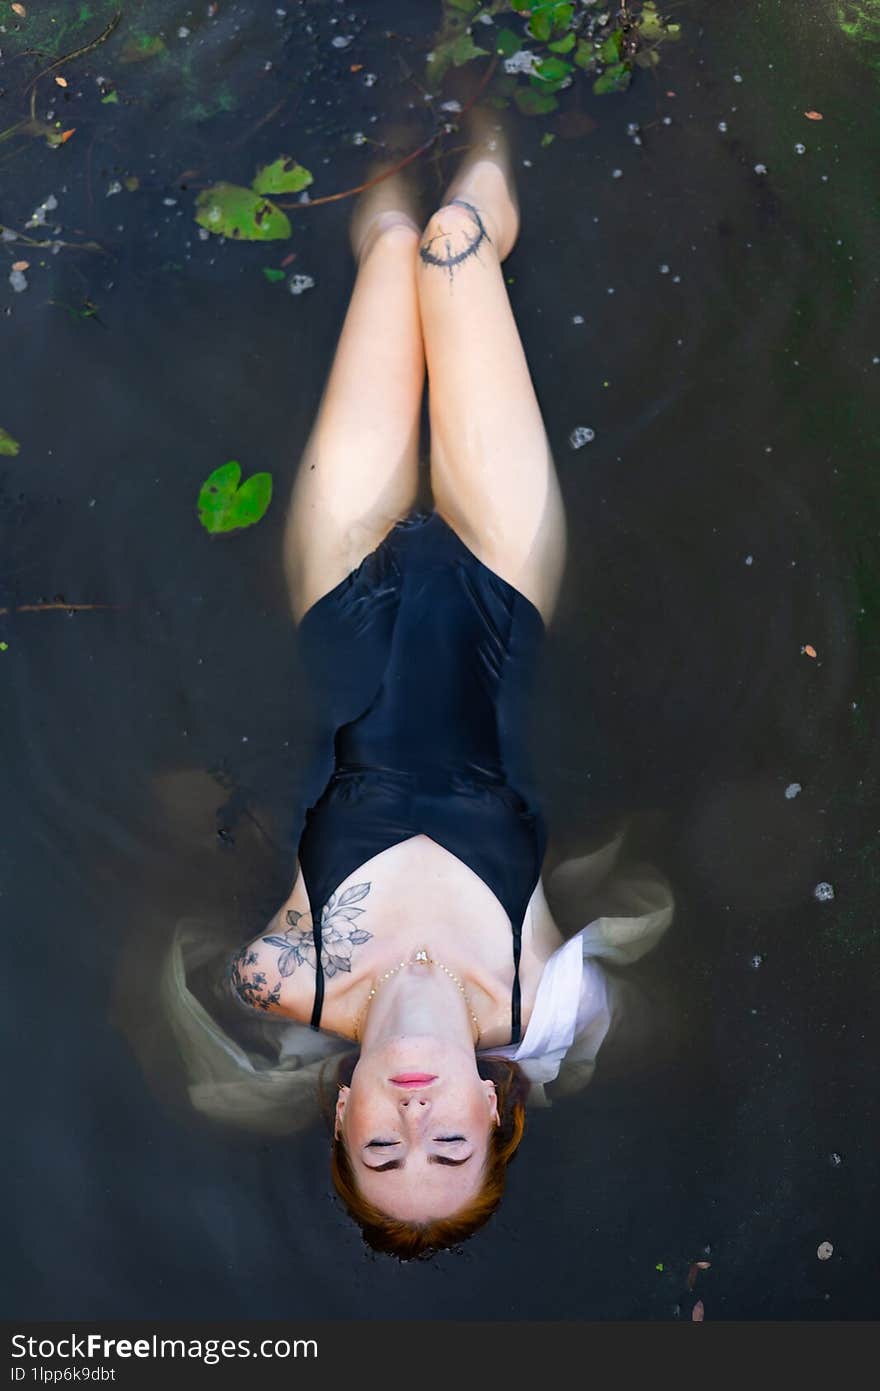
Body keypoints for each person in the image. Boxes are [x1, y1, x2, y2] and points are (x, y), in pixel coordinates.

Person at [217, 110, 673, 1257]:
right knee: (455, 239)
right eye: (449, 1146)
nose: (415, 1118)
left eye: (382, 1148)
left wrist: (215, 1069)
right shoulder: (537, 997)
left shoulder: (280, 975)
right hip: (498, 585)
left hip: (344, 585)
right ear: (489, 1108)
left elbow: (150, 935)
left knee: (385, 246)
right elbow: (654, 913)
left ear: (342, 1109)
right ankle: (488, 103)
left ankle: (381, 95)